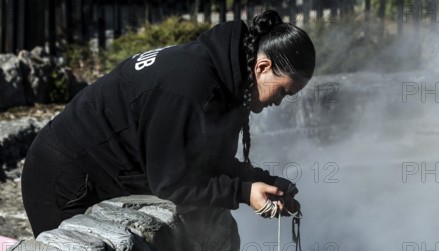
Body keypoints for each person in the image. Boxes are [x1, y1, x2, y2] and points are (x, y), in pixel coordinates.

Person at [21, 10, 315, 237]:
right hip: (64, 176)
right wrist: (242, 192)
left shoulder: (229, 80)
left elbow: (206, 163)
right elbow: (172, 182)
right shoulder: (189, 86)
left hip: (106, 171)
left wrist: (261, 182)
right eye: (283, 91)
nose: (279, 101)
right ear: (262, 67)